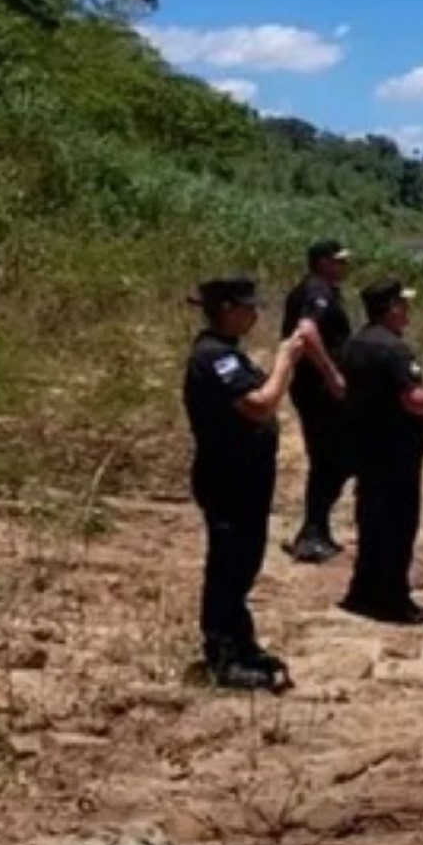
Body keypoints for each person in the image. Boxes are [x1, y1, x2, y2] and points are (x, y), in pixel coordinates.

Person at [184, 278, 304, 691]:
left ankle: (240, 640)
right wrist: (285, 361)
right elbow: (258, 405)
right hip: (227, 477)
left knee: (244, 559)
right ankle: (222, 654)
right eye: (249, 308)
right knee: (229, 564)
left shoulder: (228, 353)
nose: (255, 315)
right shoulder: (215, 357)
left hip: (246, 477)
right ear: (228, 309)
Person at [340, 280, 423, 625]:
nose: (408, 311)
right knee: (398, 526)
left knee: (371, 520)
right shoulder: (395, 350)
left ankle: (363, 592)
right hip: (396, 450)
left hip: (364, 445)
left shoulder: (354, 343)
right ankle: (392, 600)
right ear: (391, 309)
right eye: (403, 305)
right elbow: (412, 400)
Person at [280, 240, 353, 564]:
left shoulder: (322, 289)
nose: (344, 266)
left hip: (317, 388)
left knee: (333, 460)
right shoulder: (317, 291)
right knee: (329, 460)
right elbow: (307, 331)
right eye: (338, 260)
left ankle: (317, 529)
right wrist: (331, 375)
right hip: (318, 389)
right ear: (322, 262)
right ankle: (312, 534)